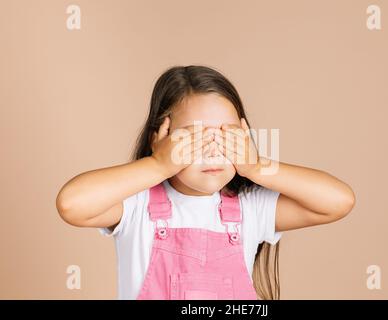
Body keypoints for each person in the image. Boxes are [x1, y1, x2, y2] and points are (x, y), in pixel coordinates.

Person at [56, 65, 355, 300]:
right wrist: (157, 165)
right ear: (159, 139)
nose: (213, 149)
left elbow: (338, 201)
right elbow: (72, 204)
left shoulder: (250, 209)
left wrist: (258, 167)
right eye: (194, 137)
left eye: (227, 136)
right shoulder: (137, 205)